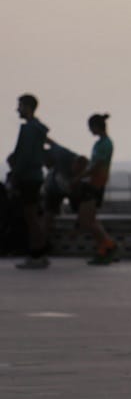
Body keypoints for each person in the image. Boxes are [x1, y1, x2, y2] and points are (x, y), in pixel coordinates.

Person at [9, 94, 51, 269]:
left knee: (31, 217)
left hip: (28, 177)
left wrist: (15, 174)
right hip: (35, 176)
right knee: (32, 216)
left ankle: (37, 254)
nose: (17, 109)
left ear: (27, 107)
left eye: (20, 106)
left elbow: (25, 156)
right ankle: (39, 252)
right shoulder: (37, 129)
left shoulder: (29, 129)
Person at [73, 113, 119, 265]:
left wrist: (79, 177)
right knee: (88, 220)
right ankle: (105, 247)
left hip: (96, 184)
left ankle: (108, 245)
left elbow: (96, 165)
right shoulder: (100, 143)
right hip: (92, 183)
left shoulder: (105, 144)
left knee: (87, 221)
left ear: (96, 127)